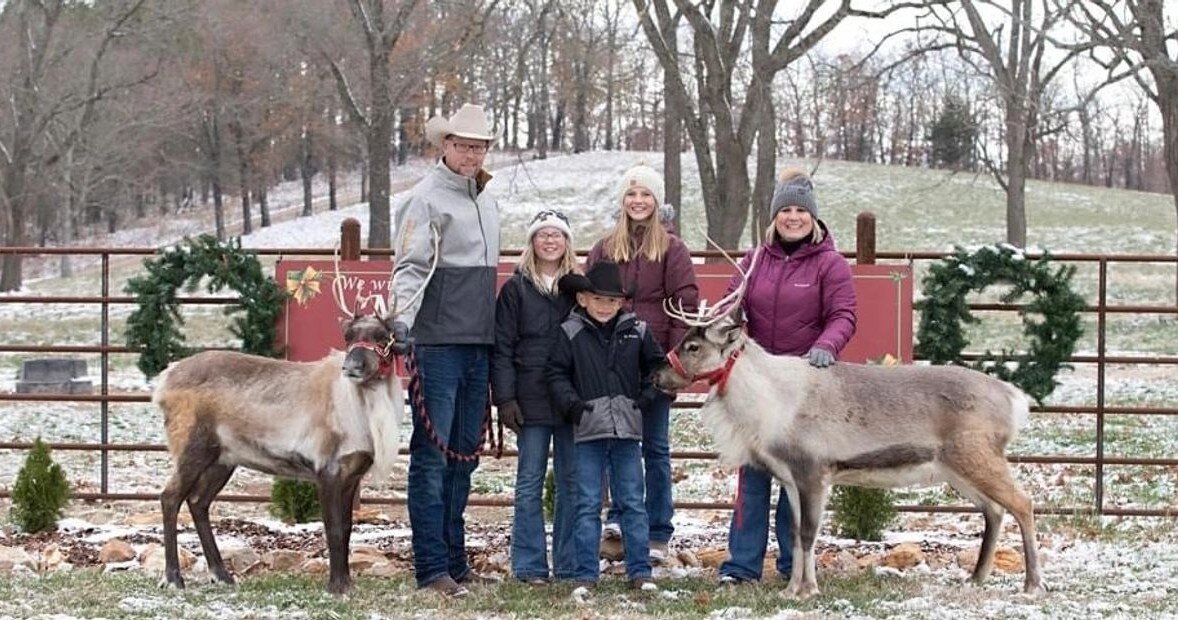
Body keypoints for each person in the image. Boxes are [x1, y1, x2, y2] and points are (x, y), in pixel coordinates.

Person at [717, 167, 857, 584]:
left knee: (797, 477)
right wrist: (730, 324)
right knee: (753, 475)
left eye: (800, 210)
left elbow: (844, 315)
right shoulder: (755, 260)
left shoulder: (829, 264)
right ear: (773, 216)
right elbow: (730, 303)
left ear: (812, 217)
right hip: (758, 390)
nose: (792, 217)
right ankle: (741, 567)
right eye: (785, 210)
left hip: (803, 391)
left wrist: (826, 346)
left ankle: (792, 563)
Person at [391, 103, 501, 597]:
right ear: (445, 146)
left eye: (478, 146)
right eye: (463, 145)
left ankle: (454, 562)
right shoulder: (425, 200)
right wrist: (403, 322)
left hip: (477, 342)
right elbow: (410, 267)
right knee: (433, 457)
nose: (471, 153)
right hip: (437, 345)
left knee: (463, 456)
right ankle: (431, 567)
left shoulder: (484, 199)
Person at [586, 164, 698, 561]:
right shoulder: (604, 248)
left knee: (655, 447)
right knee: (616, 442)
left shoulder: (671, 249)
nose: (638, 201)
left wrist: (670, 369)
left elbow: (684, 309)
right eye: (631, 194)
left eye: (646, 194)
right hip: (610, 362)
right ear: (623, 200)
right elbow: (587, 302)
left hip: (654, 362)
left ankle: (658, 529)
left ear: (656, 201)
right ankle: (617, 519)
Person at [546, 261, 666, 591]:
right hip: (587, 431)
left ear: (622, 302)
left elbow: (658, 370)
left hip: (627, 431)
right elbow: (555, 373)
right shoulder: (570, 332)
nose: (605, 306)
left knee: (632, 501)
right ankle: (586, 574)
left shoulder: (637, 331)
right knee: (586, 503)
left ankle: (639, 571)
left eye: (612, 301)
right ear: (583, 299)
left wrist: (644, 399)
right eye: (598, 299)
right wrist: (573, 406)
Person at [491, 209, 579, 584]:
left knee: (571, 482)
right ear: (531, 242)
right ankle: (529, 565)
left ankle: (570, 563)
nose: (549, 240)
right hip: (528, 398)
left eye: (556, 234)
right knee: (528, 482)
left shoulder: (577, 289)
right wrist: (505, 398)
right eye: (542, 234)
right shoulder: (516, 289)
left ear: (567, 242)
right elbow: (503, 346)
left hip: (570, 398)